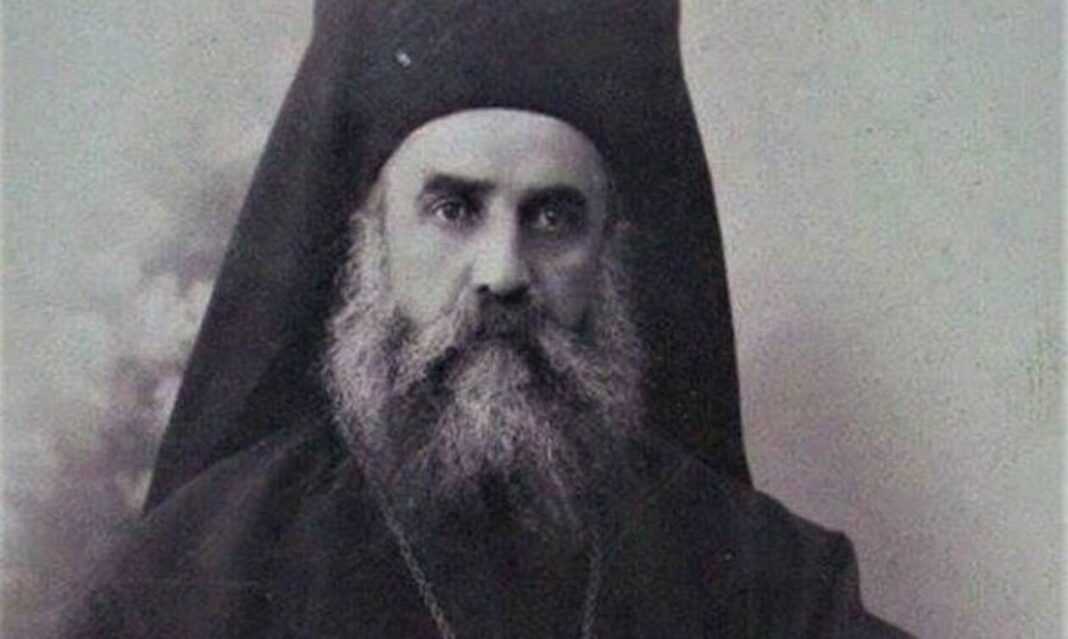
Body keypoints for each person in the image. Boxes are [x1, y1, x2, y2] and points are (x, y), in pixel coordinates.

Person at [63, 2, 909, 637]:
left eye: (553, 217)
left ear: (609, 253)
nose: (503, 273)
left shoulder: (770, 581)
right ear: (372, 236)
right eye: (454, 209)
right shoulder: (198, 576)